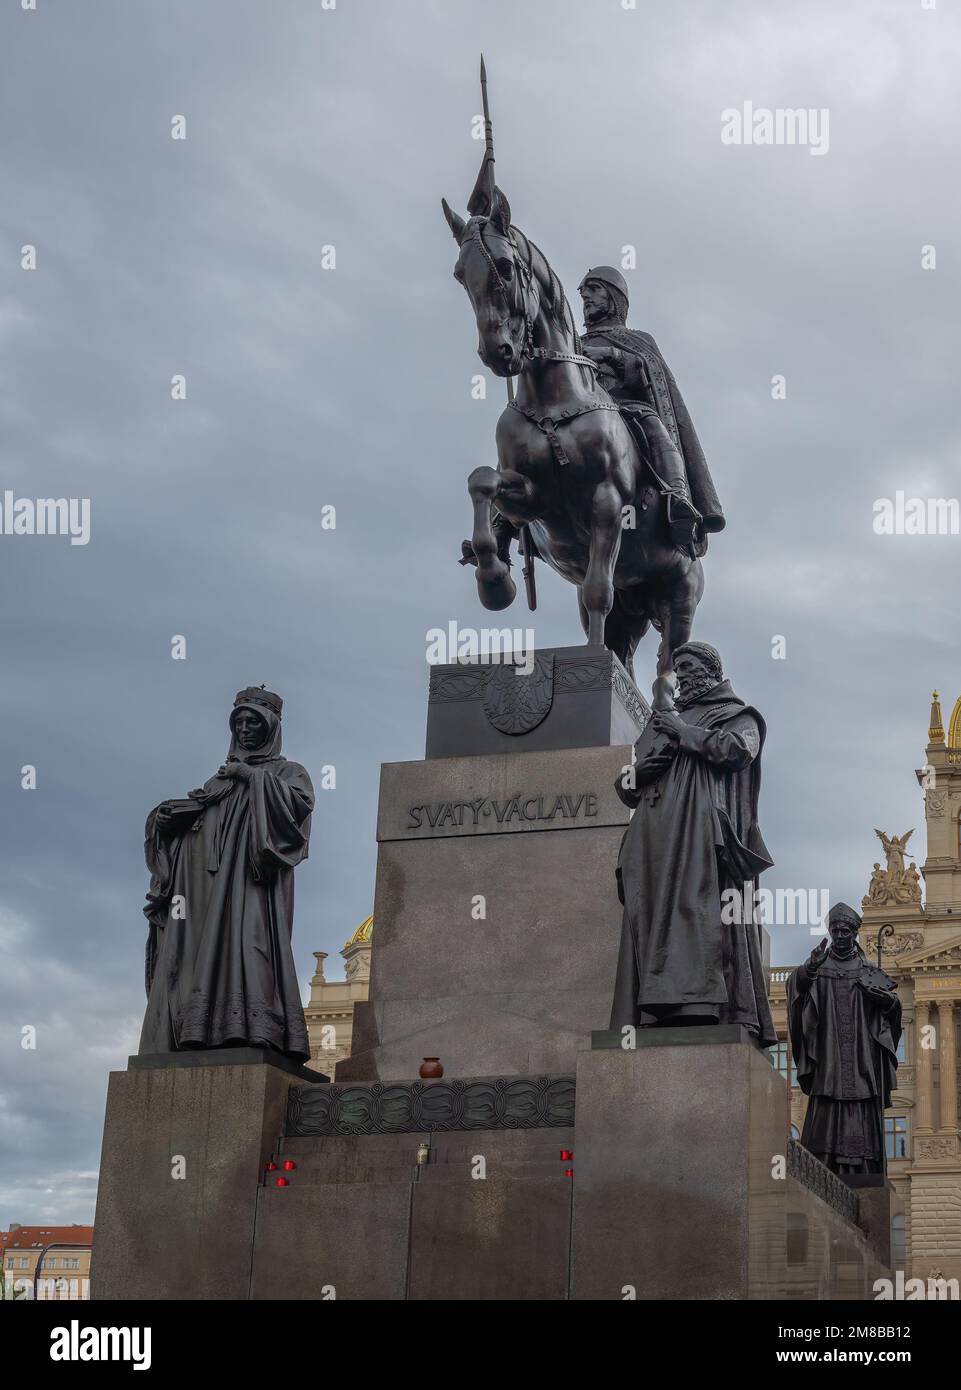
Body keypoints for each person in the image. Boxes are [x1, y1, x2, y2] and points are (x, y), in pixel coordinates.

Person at [610, 641, 776, 1045]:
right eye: (677, 667)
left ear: (711, 670)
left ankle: (698, 1006)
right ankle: (650, 1011)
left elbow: (737, 750)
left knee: (696, 916)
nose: (681, 674)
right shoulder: (661, 719)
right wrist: (634, 775)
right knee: (648, 916)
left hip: (699, 837)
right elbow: (628, 787)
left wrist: (684, 733)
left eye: (688, 666)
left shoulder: (737, 714)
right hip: (654, 837)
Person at [138, 686, 313, 1060]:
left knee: (253, 947)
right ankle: (199, 1031)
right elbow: (200, 821)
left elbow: (297, 811)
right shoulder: (217, 782)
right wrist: (168, 820)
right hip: (204, 889)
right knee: (198, 955)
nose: (245, 729)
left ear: (272, 726)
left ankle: (252, 1029)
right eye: (239, 722)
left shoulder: (287, 772)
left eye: (254, 721)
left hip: (251, 885)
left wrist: (250, 776)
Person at [787, 902, 902, 1175]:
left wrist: (887, 1003)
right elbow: (796, 989)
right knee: (826, 1101)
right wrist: (809, 969)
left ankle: (864, 1164)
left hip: (863, 1055)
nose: (839, 936)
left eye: (845, 931)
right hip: (829, 1053)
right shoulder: (819, 967)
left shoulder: (869, 970)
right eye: (835, 931)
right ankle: (821, 1164)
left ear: (854, 933)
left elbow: (892, 1011)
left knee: (861, 1101)